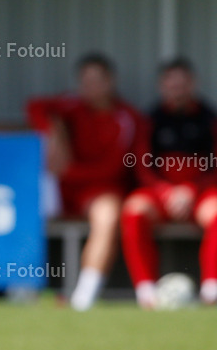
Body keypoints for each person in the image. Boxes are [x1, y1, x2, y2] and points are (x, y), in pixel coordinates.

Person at [26, 54, 142, 310]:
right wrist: (53, 131)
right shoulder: (70, 105)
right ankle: (19, 287)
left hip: (98, 189)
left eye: (96, 81)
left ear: (110, 82)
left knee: (108, 216)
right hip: (60, 188)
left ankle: (83, 298)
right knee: (20, 205)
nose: (89, 88)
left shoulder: (127, 119)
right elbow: (34, 106)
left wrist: (66, 170)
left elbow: (113, 170)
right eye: (84, 81)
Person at [121, 58, 217, 308]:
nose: (177, 89)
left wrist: (190, 189)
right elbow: (141, 166)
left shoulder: (209, 119)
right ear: (162, 86)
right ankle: (147, 293)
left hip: (201, 192)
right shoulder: (150, 120)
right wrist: (166, 192)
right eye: (171, 84)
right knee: (133, 211)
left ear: (192, 84)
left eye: (182, 84)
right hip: (161, 193)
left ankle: (211, 292)